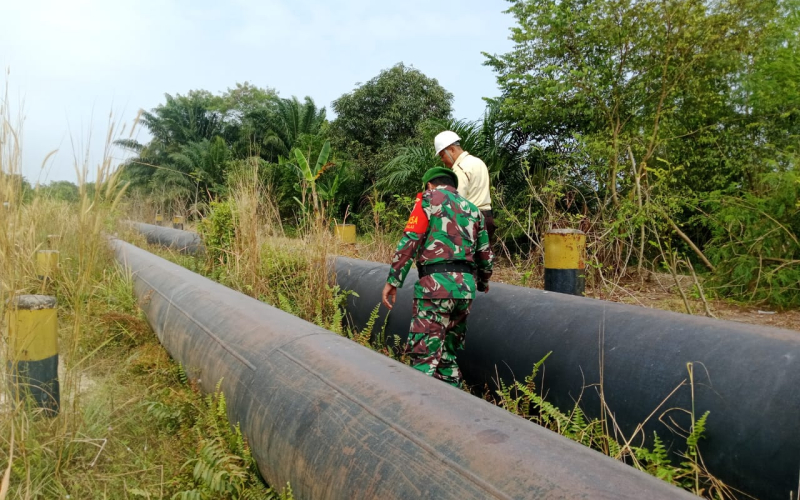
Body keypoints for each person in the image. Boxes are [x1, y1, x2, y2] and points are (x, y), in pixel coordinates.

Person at [381, 167, 493, 388]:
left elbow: (410, 241)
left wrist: (393, 280)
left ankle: (419, 414)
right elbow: (485, 255)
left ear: (430, 184)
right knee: (447, 359)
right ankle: (452, 411)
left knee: (424, 357)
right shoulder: (473, 209)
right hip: (465, 291)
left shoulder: (427, 199)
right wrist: (482, 282)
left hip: (435, 288)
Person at [434, 130, 496, 242]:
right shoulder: (478, 162)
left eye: (442, 155)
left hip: (471, 220)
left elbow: (457, 201)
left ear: (451, 150)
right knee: (485, 257)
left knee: (467, 257)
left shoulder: (460, 169)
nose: (443, 160)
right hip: (487, 217)